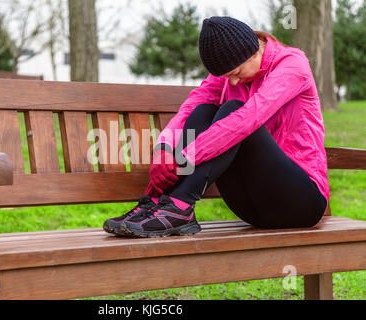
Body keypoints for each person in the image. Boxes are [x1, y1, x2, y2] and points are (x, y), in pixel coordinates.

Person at [103, 16, 329, 238]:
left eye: (237, 73)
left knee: (233, 110)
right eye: (227, 76)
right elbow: (190, 109)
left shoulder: (292, 65)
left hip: (301, 202)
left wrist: (185, 157)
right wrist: (163, 149)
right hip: (253, 207)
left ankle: (180, 205)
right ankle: (161, 203)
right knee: (202, 111)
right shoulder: (228, 71)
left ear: (254, 52)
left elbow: (247, 120)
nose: (231, 82)